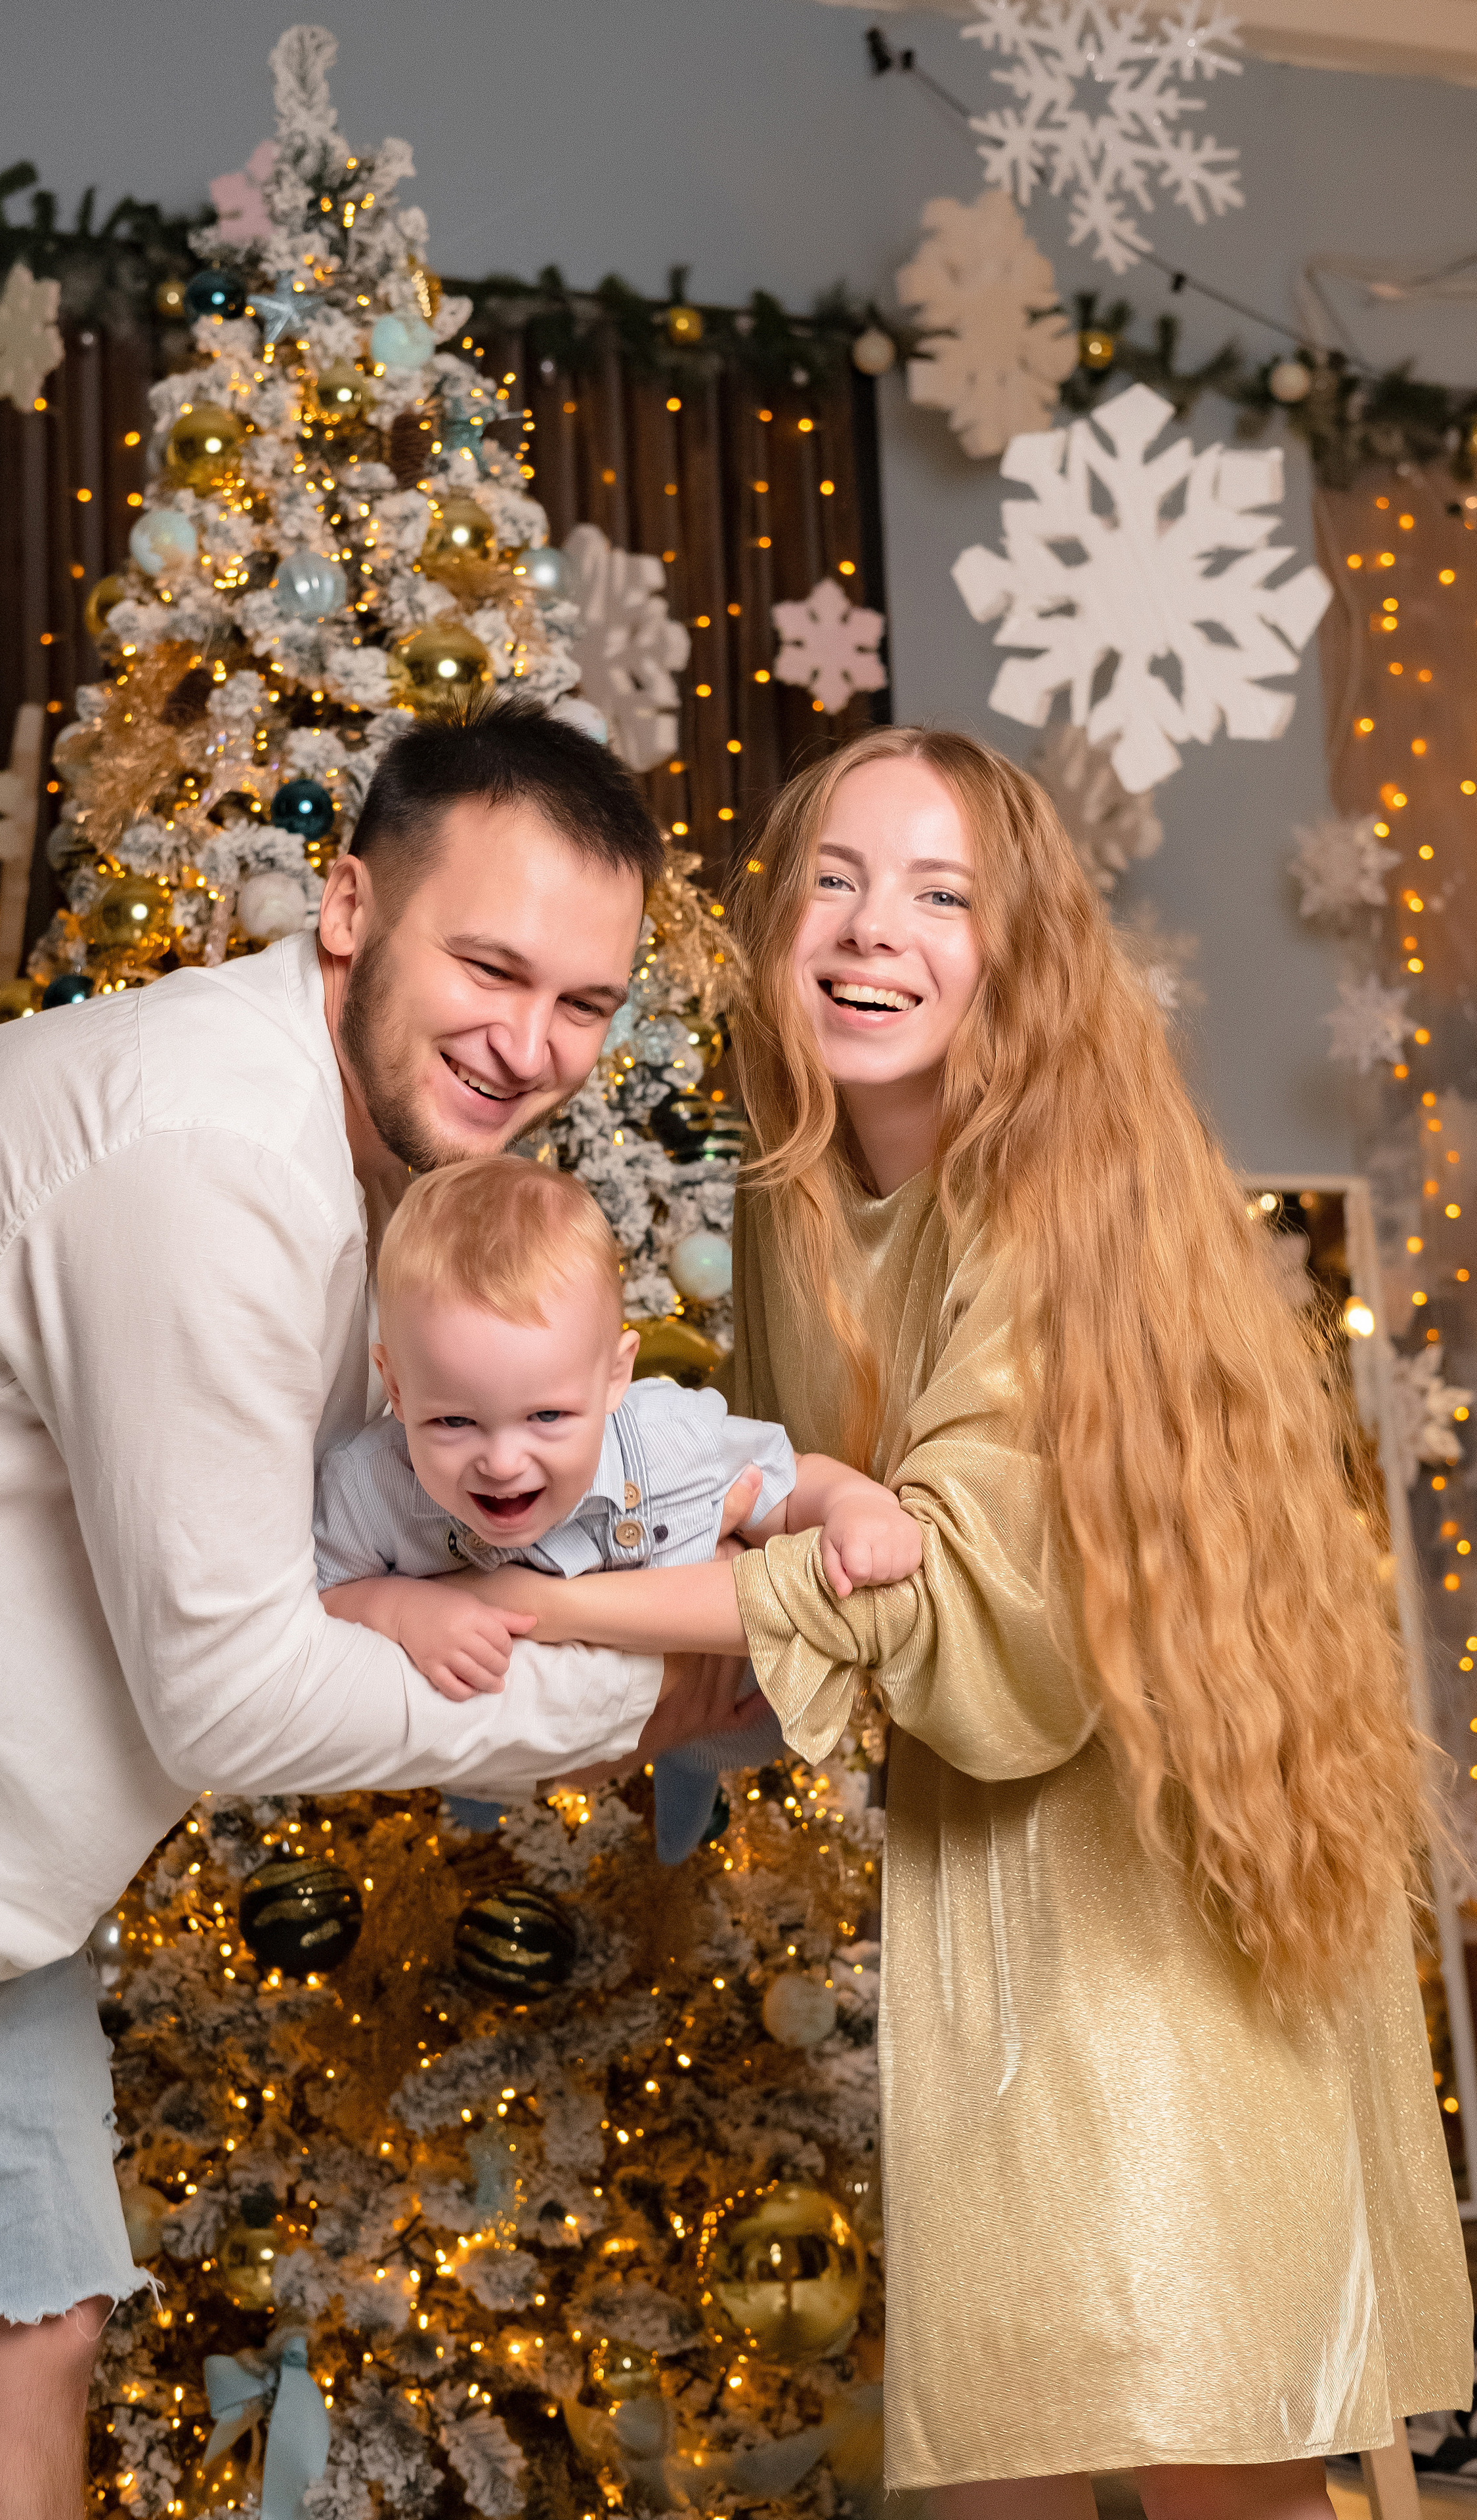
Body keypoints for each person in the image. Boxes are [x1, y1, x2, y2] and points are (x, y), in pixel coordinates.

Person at [465, 724, 1472, 2519]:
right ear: (775, 925)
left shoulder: (1048, 1194)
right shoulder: (803, 1199)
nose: (875, 933)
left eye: (944, 894)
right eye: (835, 883)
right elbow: (797, 1546)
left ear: (1018, 950)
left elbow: (921, 1585)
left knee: (1193, 2421)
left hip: (1156, 1880)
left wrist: (522, 1599)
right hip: (1000, 1885)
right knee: (1000, 2435)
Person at [0, 705, 754, 2520]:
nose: (528, 1046)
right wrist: (642, 1698)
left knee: (37, 2350)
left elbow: (374, 1536)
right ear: (346, 908)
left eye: (583, 1004)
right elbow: (231, 1699)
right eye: (486, 965)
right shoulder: (214, 1159)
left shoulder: (388, 1183)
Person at [313, 1153, 920, 1855]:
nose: (503, 1463)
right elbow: (320, 1598)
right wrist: (401, 1609)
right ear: (393, 1381)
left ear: (614, 1376)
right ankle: (476, 1807)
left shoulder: (662, 1440)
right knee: (470, 1792)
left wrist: (855, 1505)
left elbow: (781, 1488)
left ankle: (687, 1776)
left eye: (546, 1417)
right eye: (453, 1423)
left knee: (736, 1719)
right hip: (506, 1724)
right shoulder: (371, 1485)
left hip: (688, 1666)